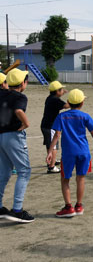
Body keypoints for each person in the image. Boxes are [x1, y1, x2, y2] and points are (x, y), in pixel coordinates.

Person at [47, 89, 93, 218]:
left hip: (69, 153)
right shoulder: (85, 116)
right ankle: (79, 205)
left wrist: (50, 151)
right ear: (82, 103)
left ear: (68, 102)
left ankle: (68, 207)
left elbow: (57, 135)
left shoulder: (61, 116)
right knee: (81, 178)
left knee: (65, 179)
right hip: (83, 151)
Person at [0, 68, 35, 223]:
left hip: (0, 135)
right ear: (23, 83)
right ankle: (17, 210)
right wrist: (26, 123)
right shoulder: (19, 96)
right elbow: (18, 110)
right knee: (24, 171)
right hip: (13, 135)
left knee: (4, 172)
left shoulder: (1, 94)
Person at [41, 81, 69, 174]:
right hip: (50, 126)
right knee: (54, 146)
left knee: (49, 145)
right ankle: (51, 167)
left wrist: (62, 93)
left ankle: (51, 160)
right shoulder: (55, 100)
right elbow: (66, 106)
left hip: (45, 125)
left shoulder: (50, 98)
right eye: (61, 90)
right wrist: (73, 99)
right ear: (57, 91)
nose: (63, 91)